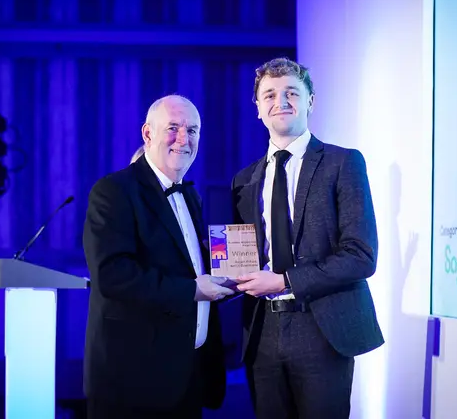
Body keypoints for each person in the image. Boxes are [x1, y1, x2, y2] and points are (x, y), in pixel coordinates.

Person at [231, 57, 384, 418]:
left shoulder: (343, 163)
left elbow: (361, 255)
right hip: (262, 332)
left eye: (291, 93)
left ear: (310, 101)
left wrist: (285, 280)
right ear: (257, 109)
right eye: (269, 95)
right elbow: (241, 256)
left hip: (323, 328)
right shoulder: (244, 180)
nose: (279, 102)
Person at [83, 94, 234, 419]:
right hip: (134, 381)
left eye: (193, 130)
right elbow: (113, 276)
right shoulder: (113, 190)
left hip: (186, 375)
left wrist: (236, 276)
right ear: (147, 134)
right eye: (174, 128)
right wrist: (194, 290)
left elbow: (189, 267)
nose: (184, 139)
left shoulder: (190, 195)